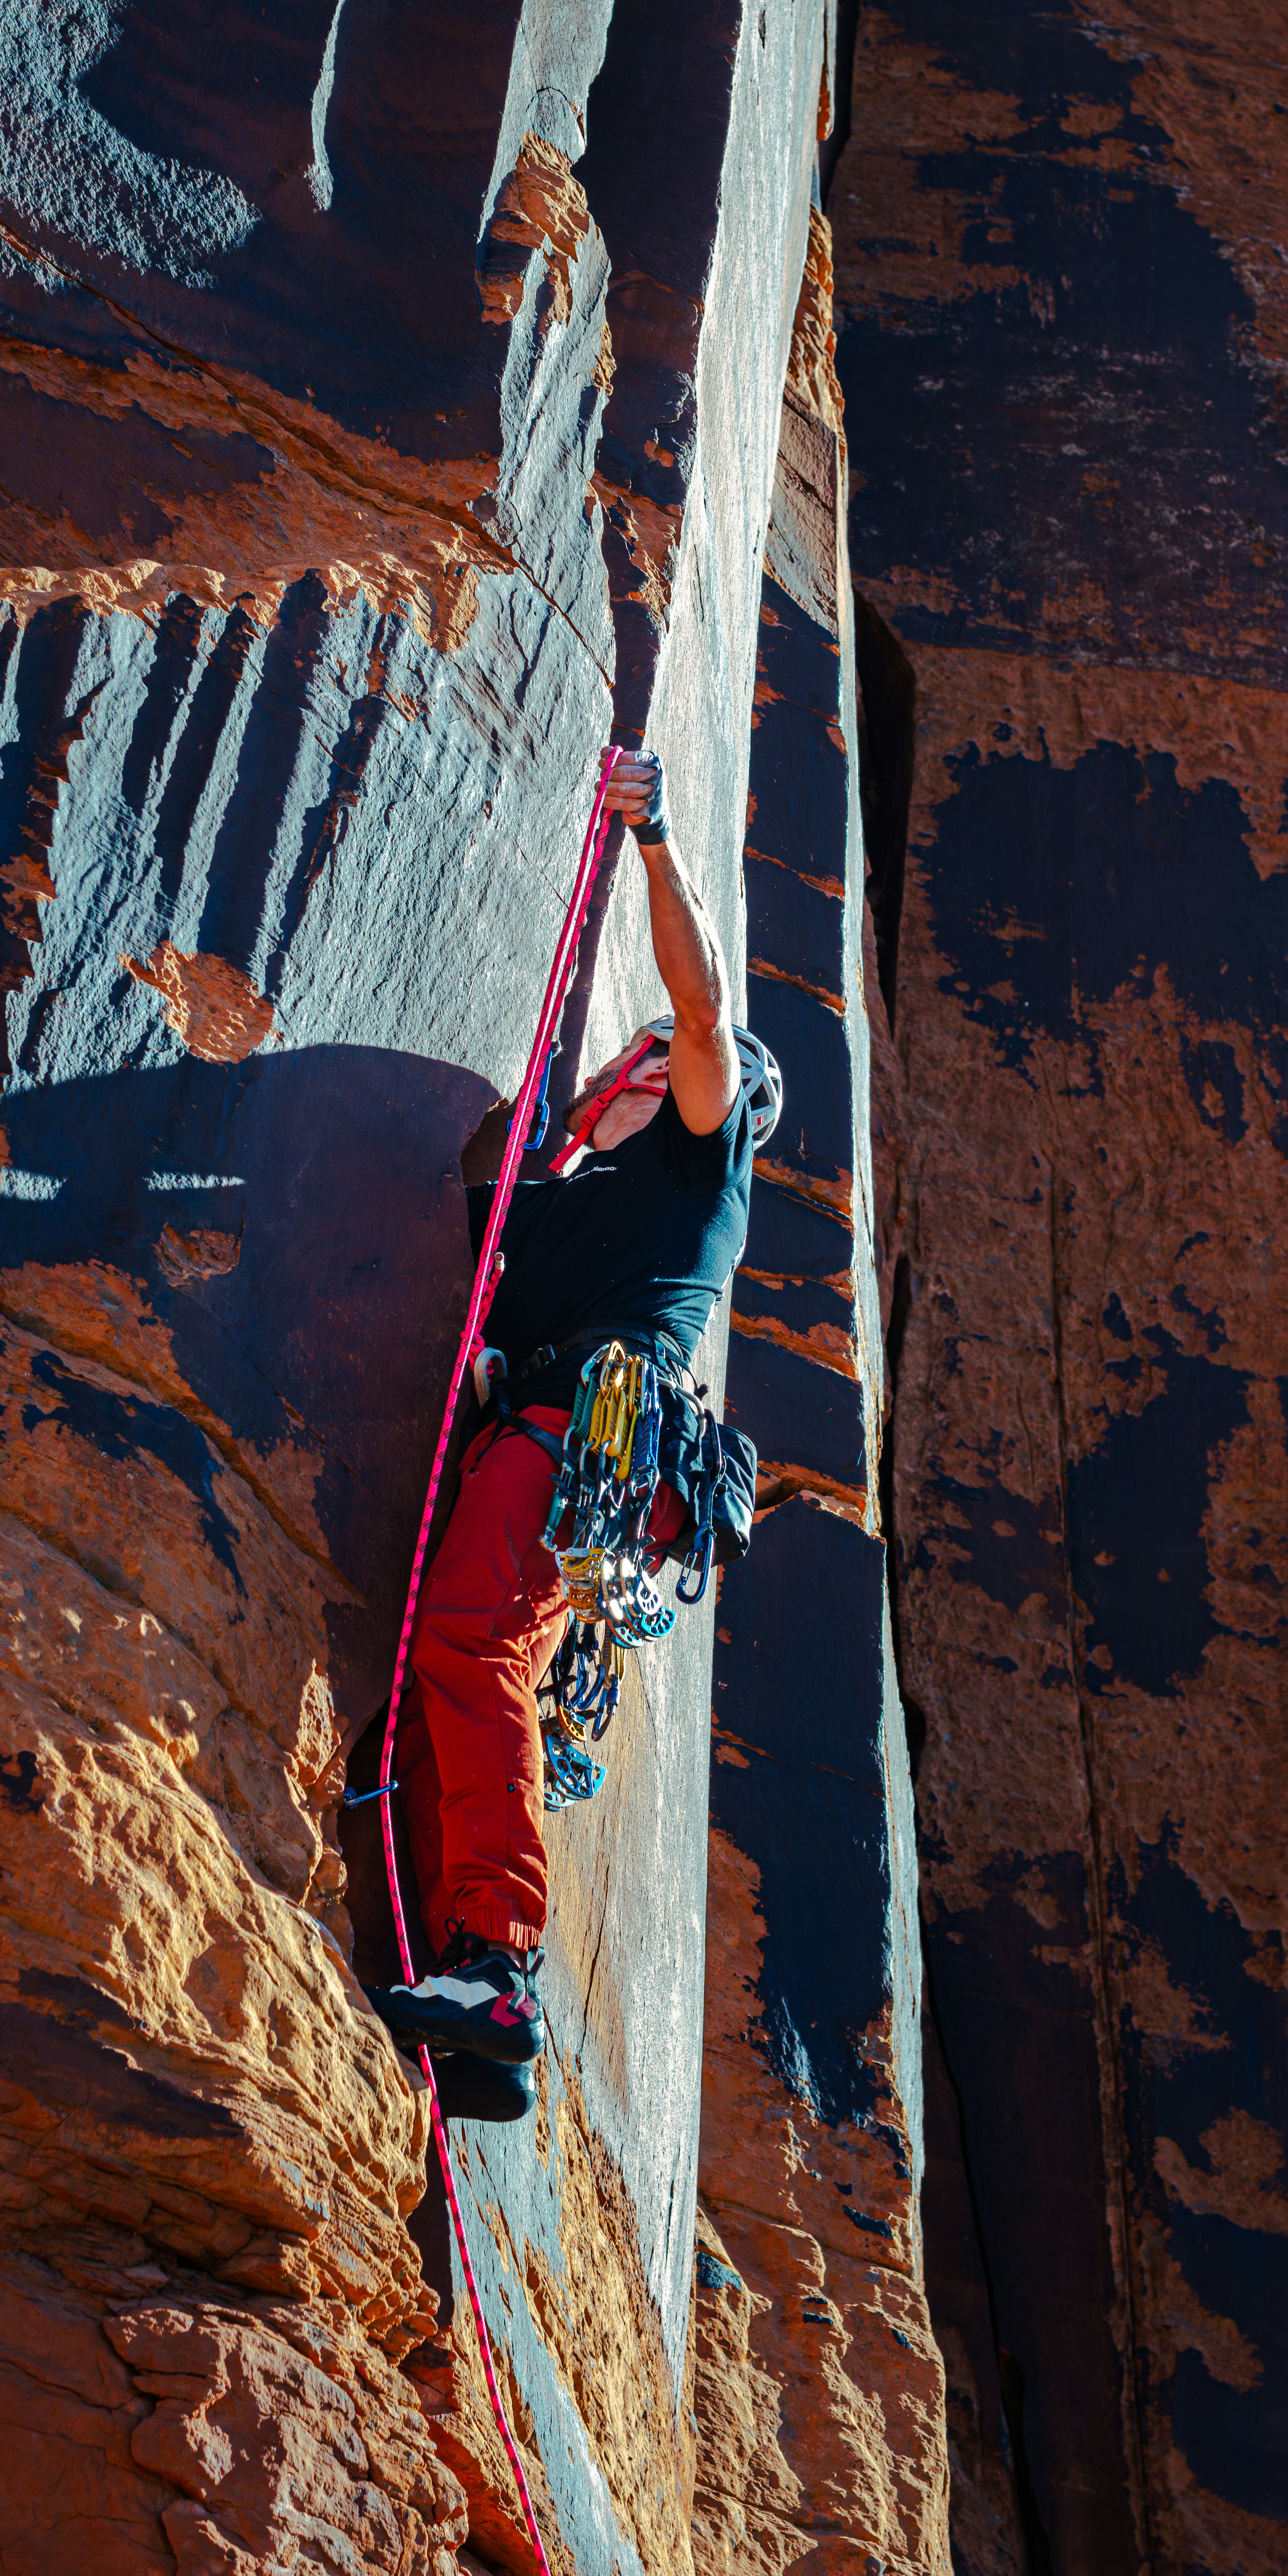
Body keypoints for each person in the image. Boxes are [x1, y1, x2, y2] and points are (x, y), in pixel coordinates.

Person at [368, 746, 781, 2093]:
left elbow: (704, 1014)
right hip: (562, 1440)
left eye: (638, 1058)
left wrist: (655, 841)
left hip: (587, 1438)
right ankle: (473, 2000)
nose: (618, 1063)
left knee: (472, 1640)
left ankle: (495, 1962)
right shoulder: (559, 1205)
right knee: (463, 1668)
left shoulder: (699, 1168)